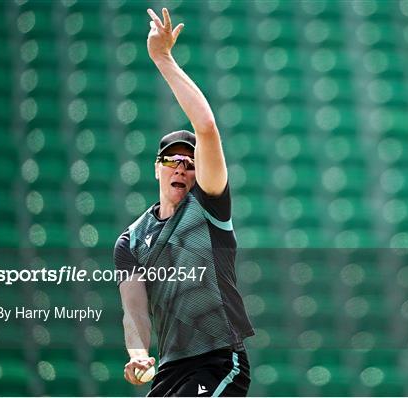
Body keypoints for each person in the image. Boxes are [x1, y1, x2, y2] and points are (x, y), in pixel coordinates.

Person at [113, 8, 254, 397]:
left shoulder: (208, 206)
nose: (181, 167)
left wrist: (162, 58)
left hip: (220, 360)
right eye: (172, 160)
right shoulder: (131, 241)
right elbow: (136, 309)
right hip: (171, 370)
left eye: (190, 163)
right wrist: (139, 352)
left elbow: (205, 128)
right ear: (156, 169)